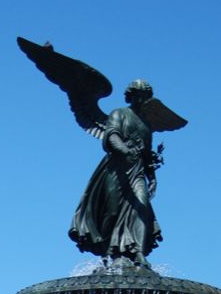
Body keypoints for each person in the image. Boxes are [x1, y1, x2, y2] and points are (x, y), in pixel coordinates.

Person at [69, 81, 163, 266]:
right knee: (111, 211)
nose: (141, 99)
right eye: (137, 95)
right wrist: (124, 149)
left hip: (137, 171)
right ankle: (107, 251)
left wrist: (152, 178)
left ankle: (137, 251)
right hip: (115, 169)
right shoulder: (119, 113)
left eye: (145, 96)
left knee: (142, 205)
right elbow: (111, 135)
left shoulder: (146, 125)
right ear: (130, 96)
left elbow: (147, 155)